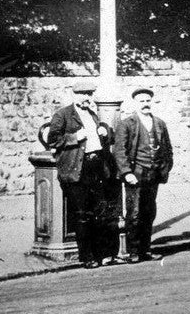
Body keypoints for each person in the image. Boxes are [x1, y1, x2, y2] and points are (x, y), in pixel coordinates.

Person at [46, 79, 119, 269]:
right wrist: (75, 137)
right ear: (74, 95)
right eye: (83, 94)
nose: (87, 98)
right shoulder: (63, 115)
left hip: (96, 168)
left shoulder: (93, 115)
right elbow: (52, 140)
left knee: (99, 213)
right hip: (77, 170)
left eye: (89, 94)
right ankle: (86, 257)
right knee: (82, 215)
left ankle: (101, 254)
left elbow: (105, 138)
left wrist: (105, 131)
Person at [112, 87, 173, 263]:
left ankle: (146, 250)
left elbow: (168, 149)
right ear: (135, 103)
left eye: (148, 100)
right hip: (135, 173)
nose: (145, 104)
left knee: (149, 212)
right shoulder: (127, 124)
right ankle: (133, 251)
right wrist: (126, 172)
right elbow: (120, 151)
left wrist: (165, 168)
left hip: (153, 174)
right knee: (134, 213)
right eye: (142, 101)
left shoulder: (159, 123)